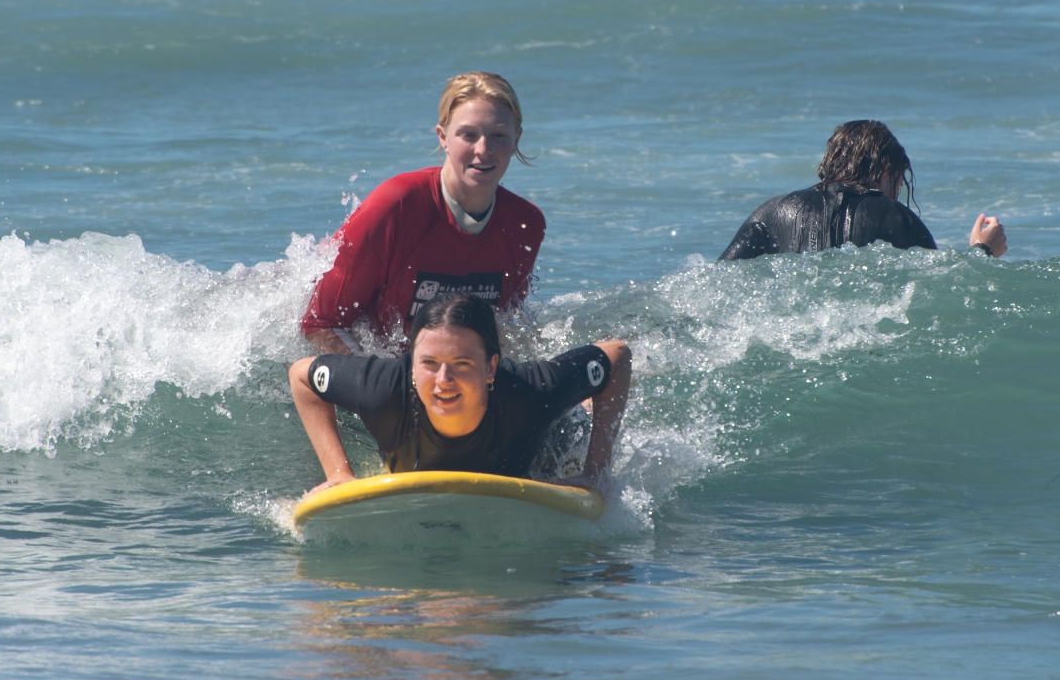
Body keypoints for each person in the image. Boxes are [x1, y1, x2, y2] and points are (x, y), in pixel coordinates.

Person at [289, 292, 633, 495]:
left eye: (462, 363)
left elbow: (616, 354)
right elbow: (301, 375)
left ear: (491, 368)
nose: (443, 380)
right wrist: (338, 473)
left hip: (548, 440)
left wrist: (596, 470)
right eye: (429, 362)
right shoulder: (383, 388)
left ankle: (583, 406)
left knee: (575, 421)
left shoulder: (533, 392)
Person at [301, 72, 547, 354]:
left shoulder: (525, 223)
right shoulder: (398, 205)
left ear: (516, 140)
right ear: (443, 137)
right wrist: (384, 387)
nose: (483, 149)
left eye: (499, 135)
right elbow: (320, 322)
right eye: (468, 135)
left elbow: (501, 331)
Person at [718, 120, 1008, 261]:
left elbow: (720, 280)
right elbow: (943, 300)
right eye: (898, 180)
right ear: (885, 170)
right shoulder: (899, 219)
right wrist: (981, 252)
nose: (896, 191)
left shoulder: (774, 211)